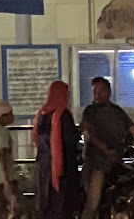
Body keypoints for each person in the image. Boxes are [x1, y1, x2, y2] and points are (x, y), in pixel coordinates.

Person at [79, 77, 134, 219]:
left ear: (109, 92)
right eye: (95, 92)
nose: (97, 95)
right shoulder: (90, 111)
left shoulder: (117, 112)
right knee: (93, 202)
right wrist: (106, 149)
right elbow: (90, 134)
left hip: (116, 161)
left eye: (101, 91)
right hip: (97, 162)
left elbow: (133, 129)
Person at [34, 81, 81, 219]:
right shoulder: (63, 115)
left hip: (43, 165)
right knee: (61, 204)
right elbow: (69, 140)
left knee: (47, 204)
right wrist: (79, 131)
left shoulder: (42, 114)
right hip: (61, 167)